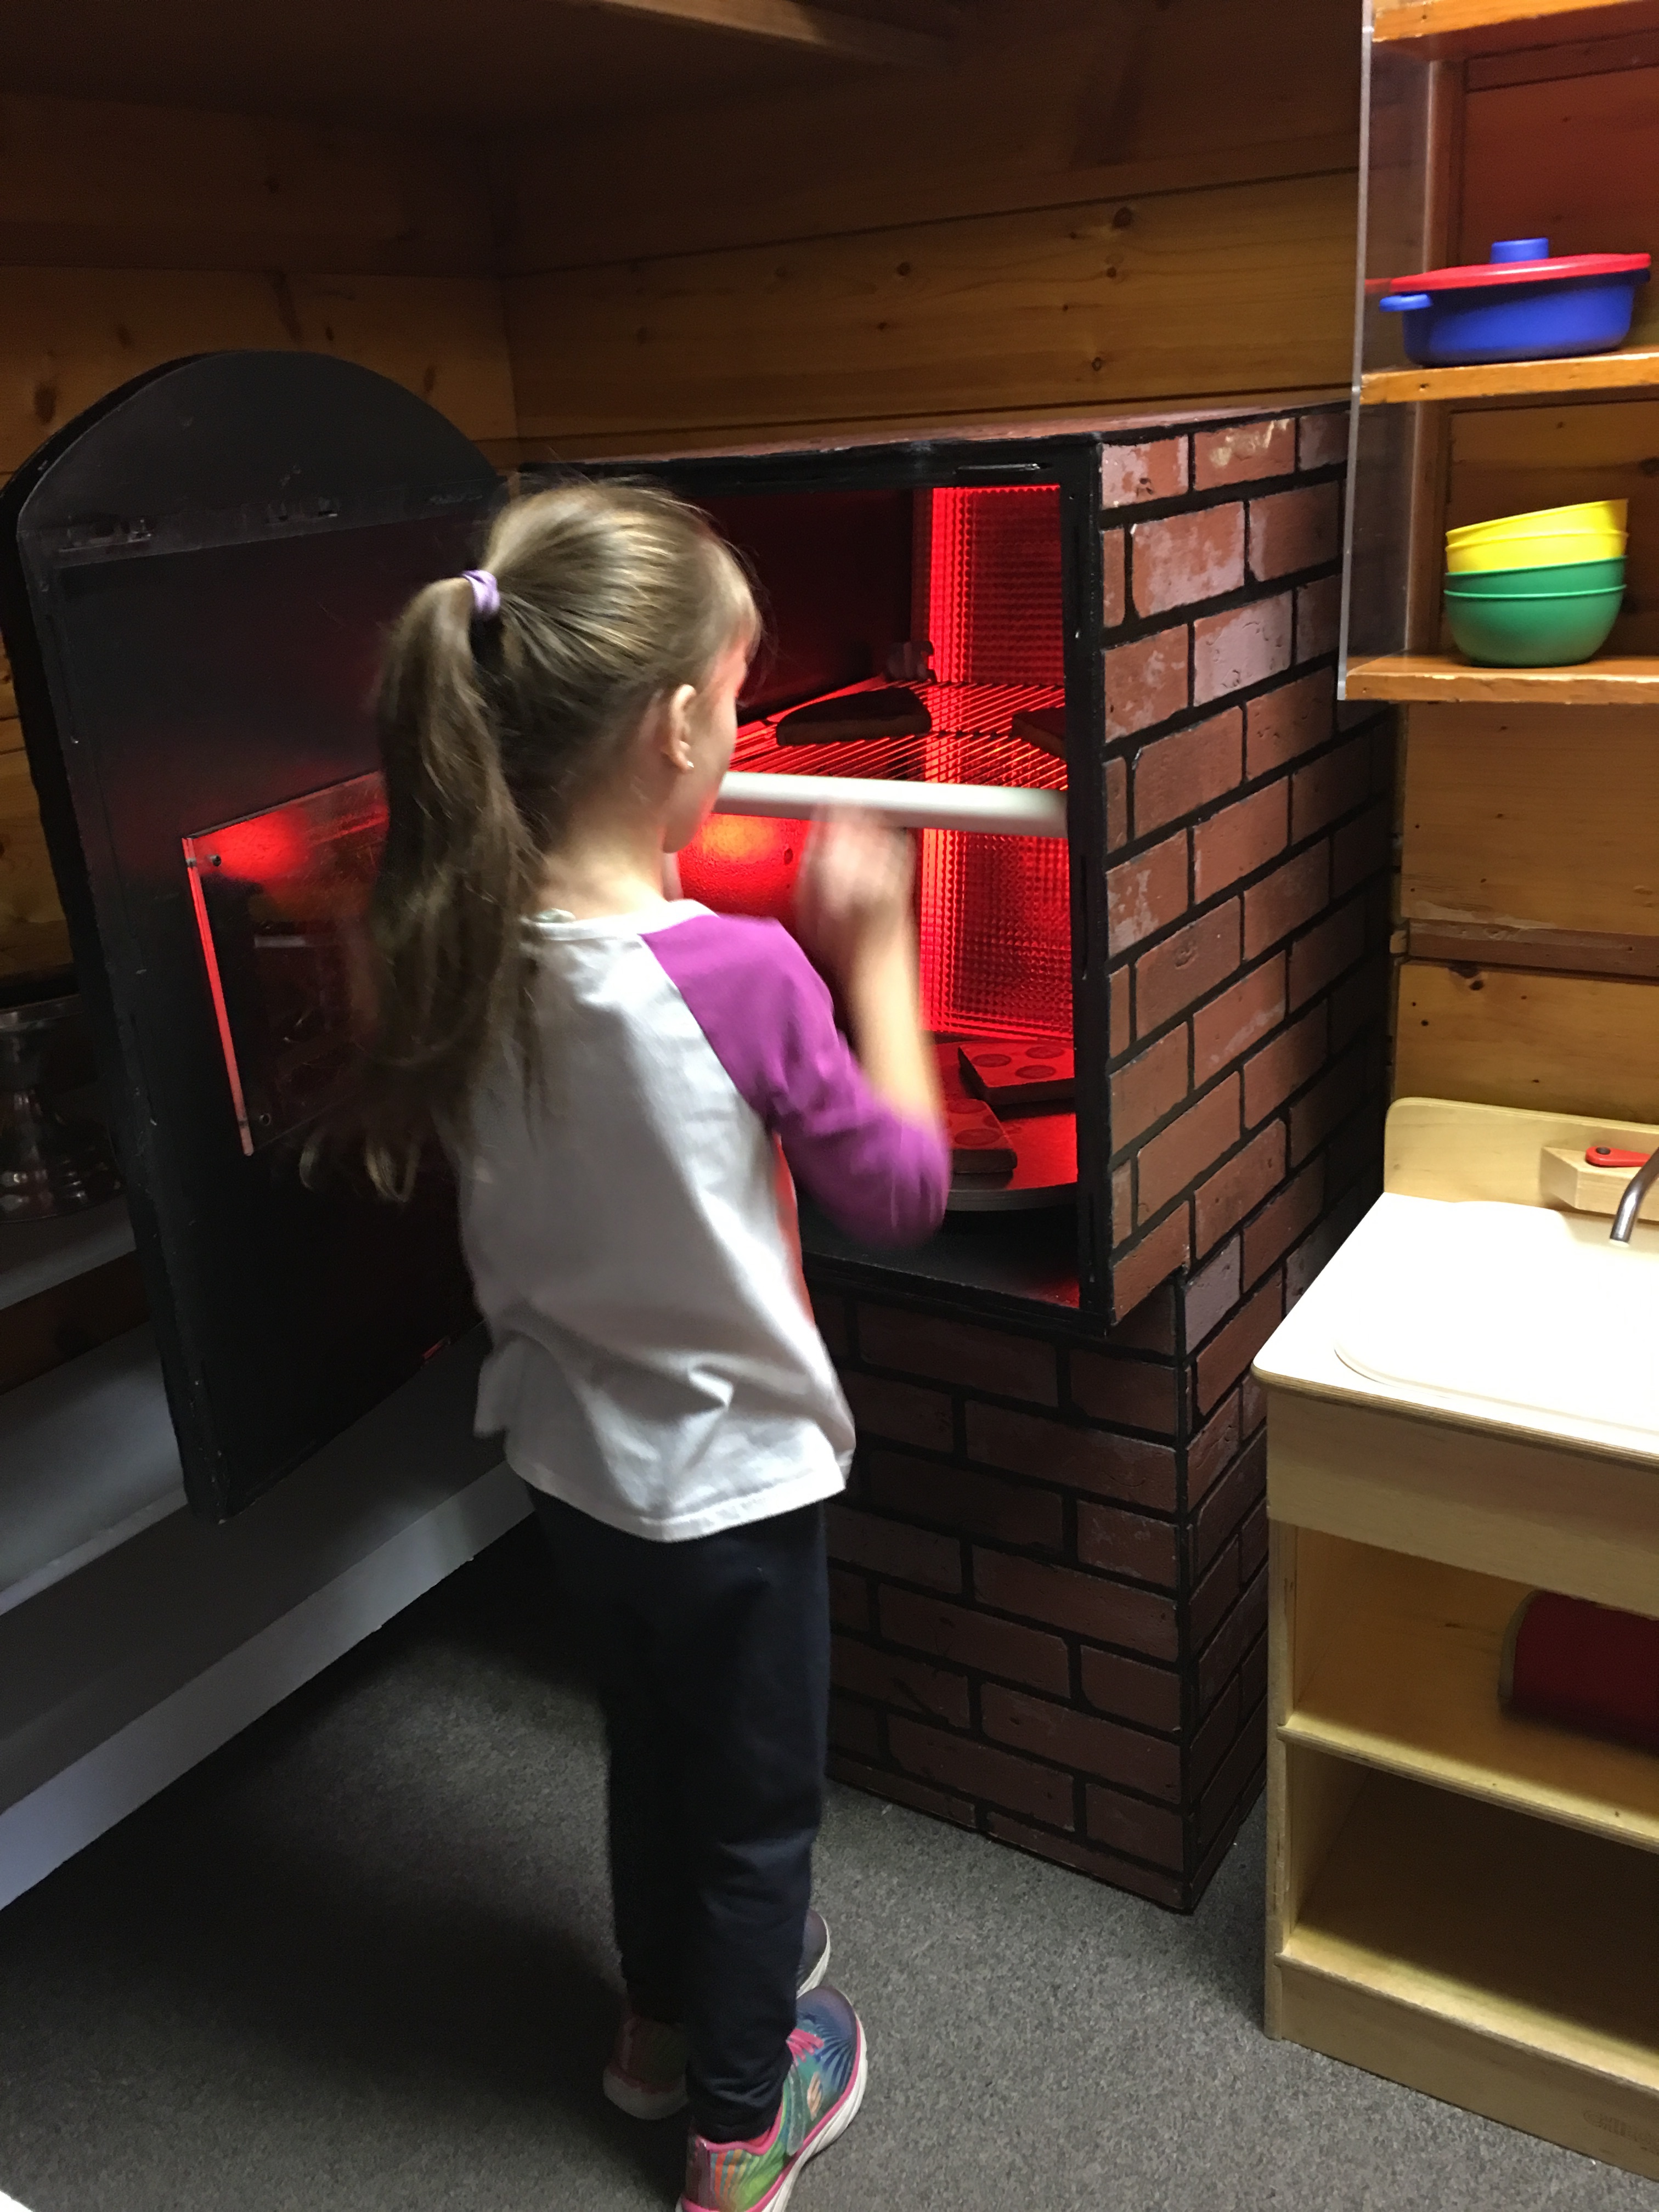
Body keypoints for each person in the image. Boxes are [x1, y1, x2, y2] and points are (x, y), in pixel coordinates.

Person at [354, 481, 951, 2212]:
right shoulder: (746, 979)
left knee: (652, 1757)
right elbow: (902, 1189)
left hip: (572, 1462)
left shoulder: (455, 942)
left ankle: (655, 2024)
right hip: (736, 1490)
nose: (747, 732)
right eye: (743, 698)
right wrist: (880, 945)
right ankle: (741, 2126)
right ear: (679, 727)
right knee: (757, 1815)